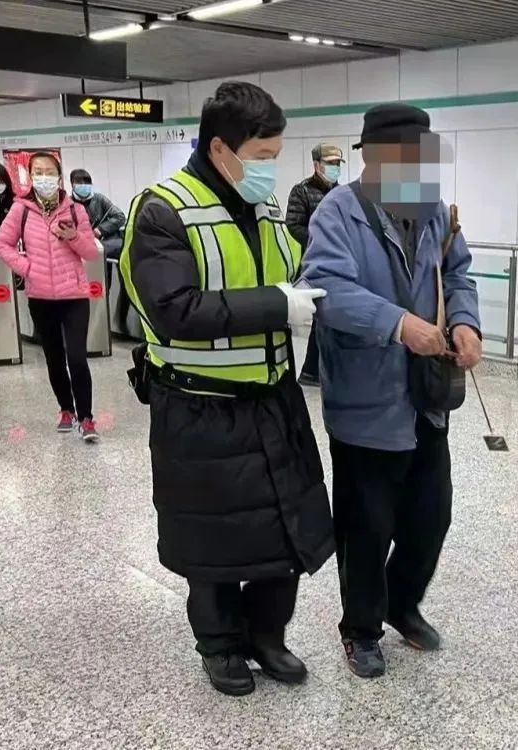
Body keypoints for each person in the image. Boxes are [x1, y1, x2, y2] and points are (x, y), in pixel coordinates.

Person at [120, 82, 334, 697]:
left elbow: (292, 269)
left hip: (273, 400)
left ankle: (267, 637)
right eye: (262, 155)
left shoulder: (264, 208)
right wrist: (276, 305)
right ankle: (219, 647)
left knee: (282, 531)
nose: (271, 168)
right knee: (211, 541)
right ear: (220, 149)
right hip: (200, 409)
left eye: (276, 155)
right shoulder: (162, 210)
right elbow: (173, 310)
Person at [302, 103, 481, 679]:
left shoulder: (433, 210)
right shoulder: (339, 210)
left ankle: (402, 604)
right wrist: (399, 325)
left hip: (426, 399)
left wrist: (465, 323)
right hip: (367, 399)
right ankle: (361, 628)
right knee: (367, 526)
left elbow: (458, 274)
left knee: (431, 517)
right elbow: (324, 286)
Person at [0, 152, 100, 442]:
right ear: (30, 176)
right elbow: (1, 244)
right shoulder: (21, 210)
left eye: (49, 172)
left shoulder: (75, 210)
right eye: (38, 172)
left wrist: (73, 236)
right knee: (54, 358)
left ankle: (86, 417)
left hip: (74, 296)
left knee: (77, 358)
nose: (44, 177)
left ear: (59, 175)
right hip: (40, 297)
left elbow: (91, 252)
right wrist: (27, 268)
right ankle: (66, 409)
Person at [286, 142, 345, 386]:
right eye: (330, 163)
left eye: (337, 163)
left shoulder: (342, 192)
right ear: (317, 165)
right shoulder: (302, 191)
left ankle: (315, 371)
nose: (335, 168)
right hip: (315, 264)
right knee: (322, 316)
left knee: (329, 316)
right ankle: (311, 372)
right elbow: (293, 224)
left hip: (338, 263)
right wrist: (320, 240)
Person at [69, 169, 129, 329]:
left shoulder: (99, 199)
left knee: (102, 287)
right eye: (79, 183)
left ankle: (103, 324)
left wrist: (99, 230)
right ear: (72, 185)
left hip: (102, 250)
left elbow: (119, 216)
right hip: (79, 255)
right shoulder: (67, 204)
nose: (83, 186)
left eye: (86, 182)